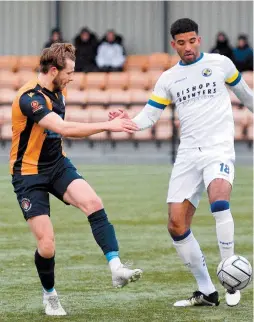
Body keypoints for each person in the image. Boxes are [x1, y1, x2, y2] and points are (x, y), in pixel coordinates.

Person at [109, 18, 253, 307]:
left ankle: (229, 272)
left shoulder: (221, 63)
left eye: (192, 41)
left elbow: (246, 96)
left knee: (219, 201)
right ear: (173, 45)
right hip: (188, 155)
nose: (188, 47)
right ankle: (208, 291)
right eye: (181, 43)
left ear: (198, 40)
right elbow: (149, 117)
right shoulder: (169, 78)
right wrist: (127, 122)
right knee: (176, 225)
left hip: (218, 149)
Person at [10, 43, 142, 316]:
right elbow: (62, 127)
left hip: (57, 164)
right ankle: (50, 295)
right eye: (69, 72)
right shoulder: (30, 98)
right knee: (46, 245)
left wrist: (112, 118)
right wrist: (108, 126)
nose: (73, 77)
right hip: (28, 173)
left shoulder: (60, 90)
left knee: (93, 202)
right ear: (54, 70)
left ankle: (116, 268)